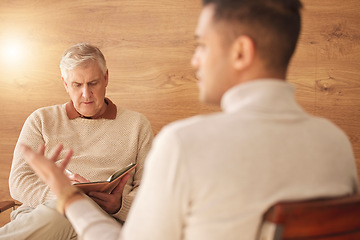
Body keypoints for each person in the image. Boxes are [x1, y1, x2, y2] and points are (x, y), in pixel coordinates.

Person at [17, 0, 360, 239]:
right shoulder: (336, 145)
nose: (195, 61)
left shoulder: (184, 143)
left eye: (202, 45)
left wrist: (68, 197)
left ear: (240, 52)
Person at [0, 43, 153, 239]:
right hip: (41, 216)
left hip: (104, 219)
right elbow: (19, 182)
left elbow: (150, 191)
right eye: (77, 85)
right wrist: (64, 195)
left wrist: (120, 205)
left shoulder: (137, 125)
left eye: (93, 83)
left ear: (106, 78)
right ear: (65, 83)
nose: (86, 94)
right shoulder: (41, 120)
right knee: (66, 211)